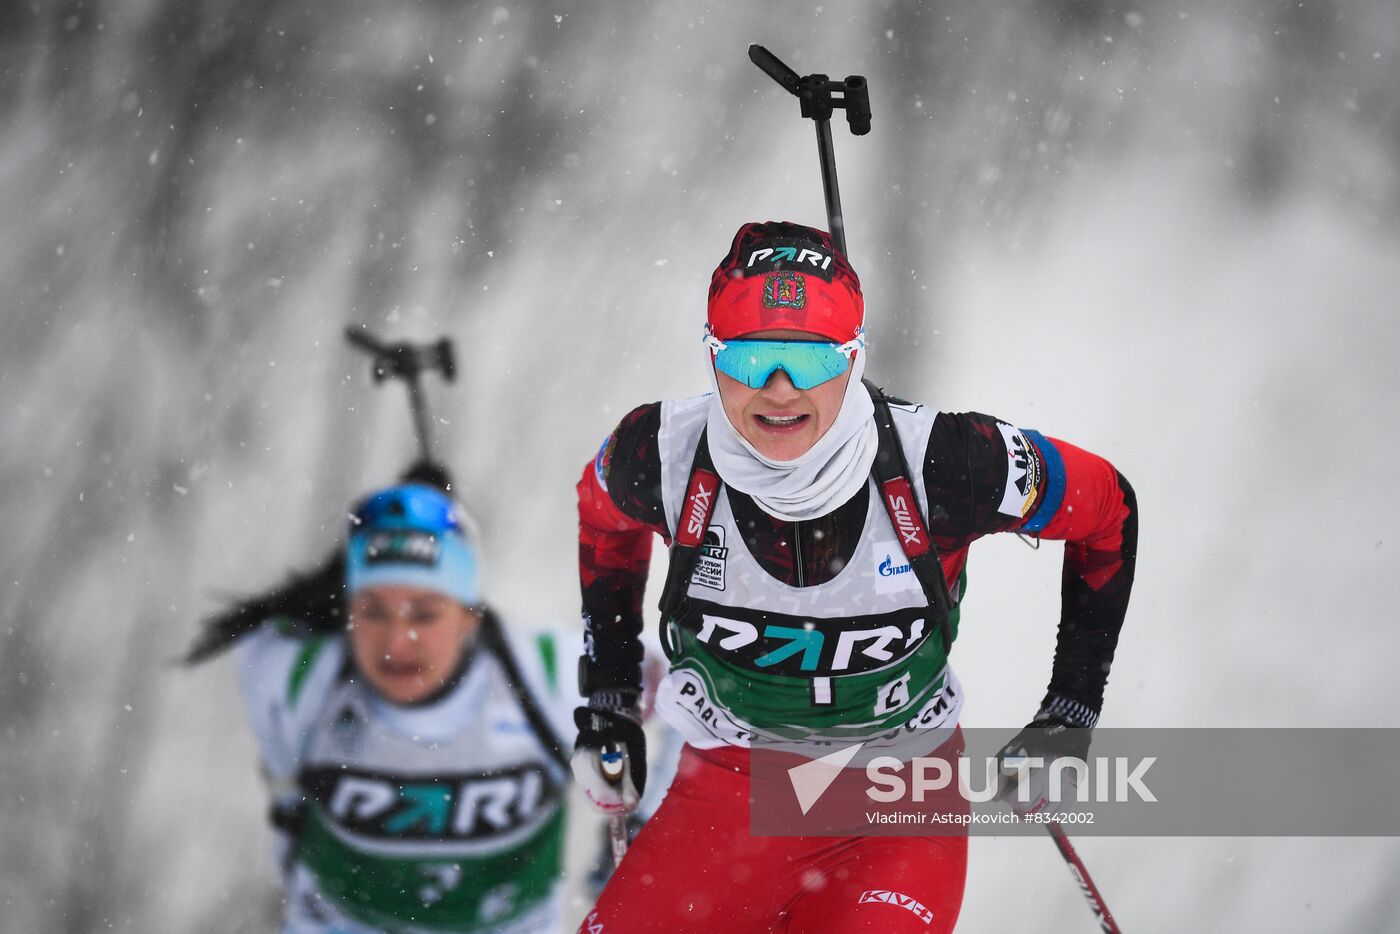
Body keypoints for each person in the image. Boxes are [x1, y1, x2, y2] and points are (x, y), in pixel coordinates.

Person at [569, 221, 1138, 932]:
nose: (778, 391)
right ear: (713, 357)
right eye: (749, 359)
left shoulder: (950, 464)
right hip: (727, 789)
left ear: (853, 356)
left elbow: (1106, 509)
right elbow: (603, 522)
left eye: (809, 361)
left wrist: (1071, 710)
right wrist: (611, 694)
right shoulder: (656, 454)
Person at [189, 467, 574, 934]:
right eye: (372, 611)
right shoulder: (293, 676)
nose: (397, 640)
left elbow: (684, 682)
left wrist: (645, 835)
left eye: (425, 614)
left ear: (471, 616)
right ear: (346, 610)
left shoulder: (550, 674)